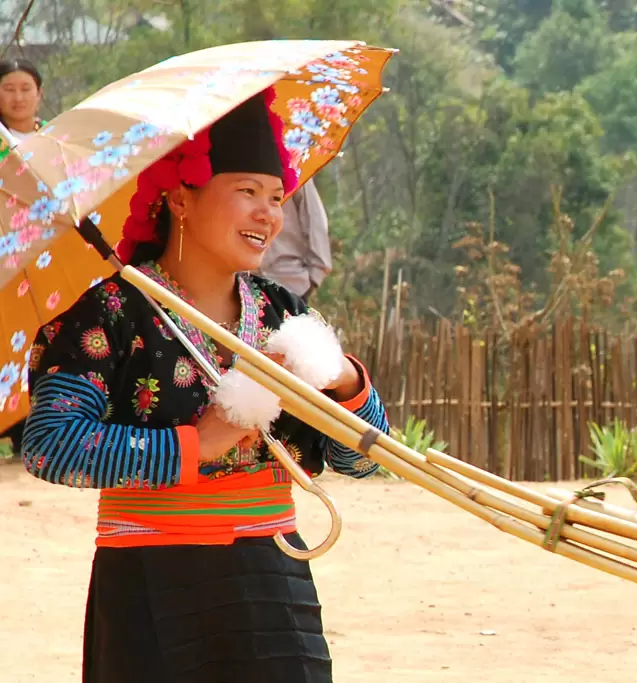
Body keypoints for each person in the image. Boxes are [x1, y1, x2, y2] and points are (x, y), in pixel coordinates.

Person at [21, 90, 389, 683]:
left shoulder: (281, 313)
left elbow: (362, 458)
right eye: (246, 192)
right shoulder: (115, 311)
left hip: (274, 578)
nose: (269, 215)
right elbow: (52, 445)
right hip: (148, 578)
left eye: (276, 198)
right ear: (180, 198)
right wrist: (200, 444)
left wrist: (343, 380)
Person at [256, 179, 332, 303]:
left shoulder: (297, 169)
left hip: (290, 281)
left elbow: (315, 220)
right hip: (246, 284)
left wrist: (315, 275)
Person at [0, 59, 44, 159]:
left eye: (26, 89)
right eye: (9, 89)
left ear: (39, 94)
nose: (18, 98)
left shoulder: (56, 136)